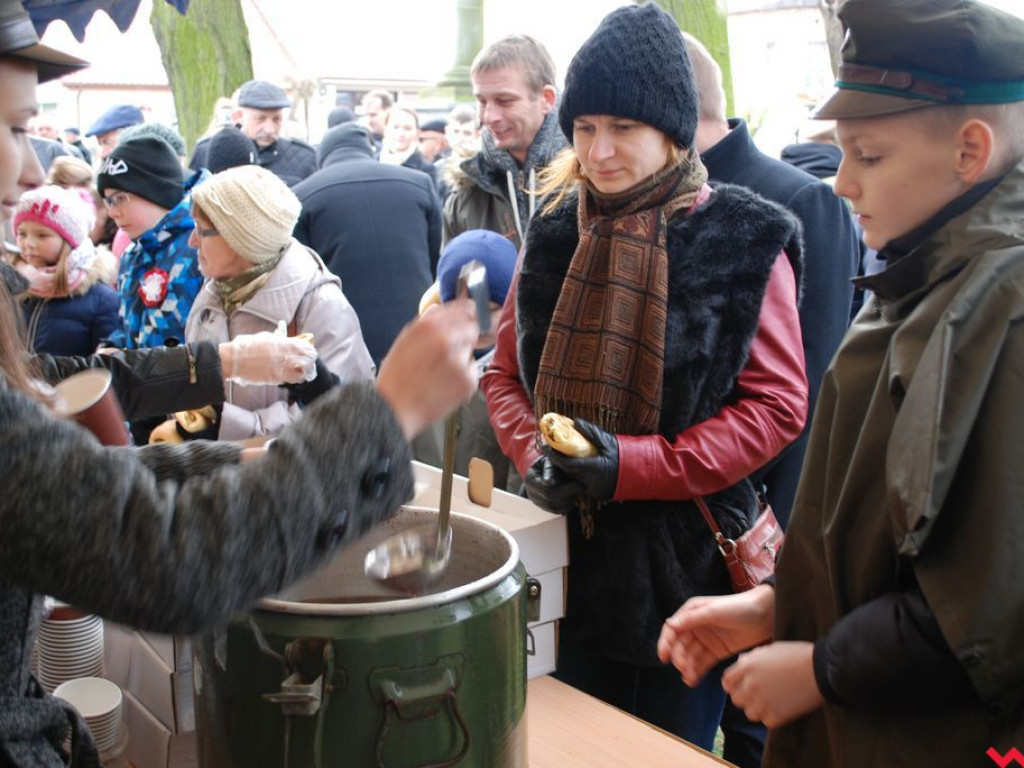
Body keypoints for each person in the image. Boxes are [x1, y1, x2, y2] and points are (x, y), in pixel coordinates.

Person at [0, 7, 481, 765]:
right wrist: (386, 416)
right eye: (17, 127)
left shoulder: (310, 300)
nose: (33, 167)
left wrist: (231, 457)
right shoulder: (202, 293)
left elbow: (76, 458)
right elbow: (167, 562)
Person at [657, 1, 1024, 765]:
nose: (843, 182)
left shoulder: (1003, 306)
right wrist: (779, 607)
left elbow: (989, 613)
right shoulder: (924, 273)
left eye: (871, 155)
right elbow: (881, 531)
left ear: (970, 149)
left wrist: (823, 668)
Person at [481, 4, 807, 750]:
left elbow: (777, 408)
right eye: (586, 126)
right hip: (558, 565)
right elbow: (503, 373)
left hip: (680, 581)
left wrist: (629, 466)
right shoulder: (555, 229)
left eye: (622, 128)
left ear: (672, 130)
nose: (598, 152)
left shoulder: (743, 238)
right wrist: (536, 450)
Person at [185, 164, 374, 440]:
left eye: (201, 230)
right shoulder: (213, 294)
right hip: (222, 477)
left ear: (240, 237)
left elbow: (340, 416)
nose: (191, 241)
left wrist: (223, 425)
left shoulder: (321, 306)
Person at [293, 123, 442, 367]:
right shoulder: (419, 183)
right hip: (416, 331)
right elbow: (436, 261)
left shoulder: (303, 195)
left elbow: (303, 281)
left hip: (345, 341)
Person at [443, 34, 565, 249]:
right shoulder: (467, 190)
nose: (489, 116)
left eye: (505, 101)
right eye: (481, 101)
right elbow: (450, 279)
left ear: (547, 99)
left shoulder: (590, 182)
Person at [425, 229, 519, 490]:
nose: (477, 323)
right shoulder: (424, 364)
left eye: (489, 310)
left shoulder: (523, 377)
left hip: (495, 518)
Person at [97, 136, 206, 349]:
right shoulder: (133, 254)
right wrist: (113, 346)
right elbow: (129, 325)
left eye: (118, 198)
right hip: (141, 380)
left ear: (154, 191)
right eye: (107, 201)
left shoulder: (200, 246)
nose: (112, 212)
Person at [9, 183, 118, 356]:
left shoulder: (102, 300)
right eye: (22, 234)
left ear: (70, 240)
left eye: (42, 235)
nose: (28, 243)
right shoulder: (12, 288)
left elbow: (104, 368)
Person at [188, 80, 316, 187]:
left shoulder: (304, 157)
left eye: (277, 119)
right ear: (237, 116)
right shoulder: (205, 150)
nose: (269, 129)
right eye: (260, 119)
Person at [379, 105, 440, 192]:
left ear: (417, 133)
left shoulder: (427, 170)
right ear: (385, 130)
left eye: (407, 128)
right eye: (395, 127)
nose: (401, 133)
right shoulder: (372, 161)